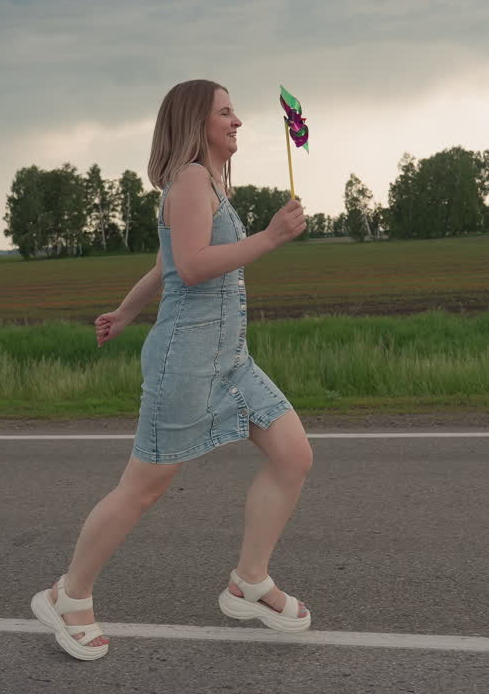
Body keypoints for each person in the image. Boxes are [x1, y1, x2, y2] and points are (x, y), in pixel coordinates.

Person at [31, 79, 313, 661]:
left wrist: (127, 310)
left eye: (236, 113)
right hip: (186, 362)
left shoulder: (208, 185)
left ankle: (249, 582)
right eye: (226, 113)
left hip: (231, 360)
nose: (238, 122)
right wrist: (269, 237)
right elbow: (190, 264)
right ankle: (68, 595)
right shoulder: (188, 179)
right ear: (196, 122)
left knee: (293, 455)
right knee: (143, 489)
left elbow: (164, 263)